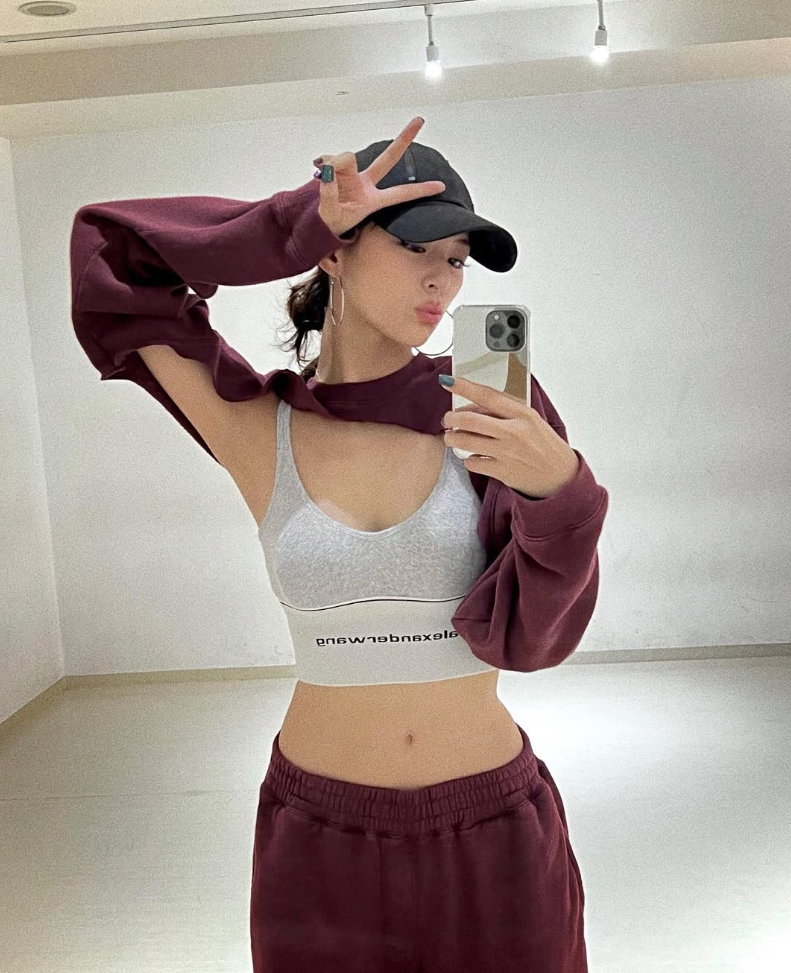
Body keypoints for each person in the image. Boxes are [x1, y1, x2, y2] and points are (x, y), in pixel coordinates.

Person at [70, 116, 608, 972]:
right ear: (334, 251)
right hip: (320, 844)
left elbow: (535, 639)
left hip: (494, 833)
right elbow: (112, 254)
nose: (441, 280)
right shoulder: (260, 426)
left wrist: (561, 495)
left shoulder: (485, 415)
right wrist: (293, 220)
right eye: (416, 247)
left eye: (458, 260)